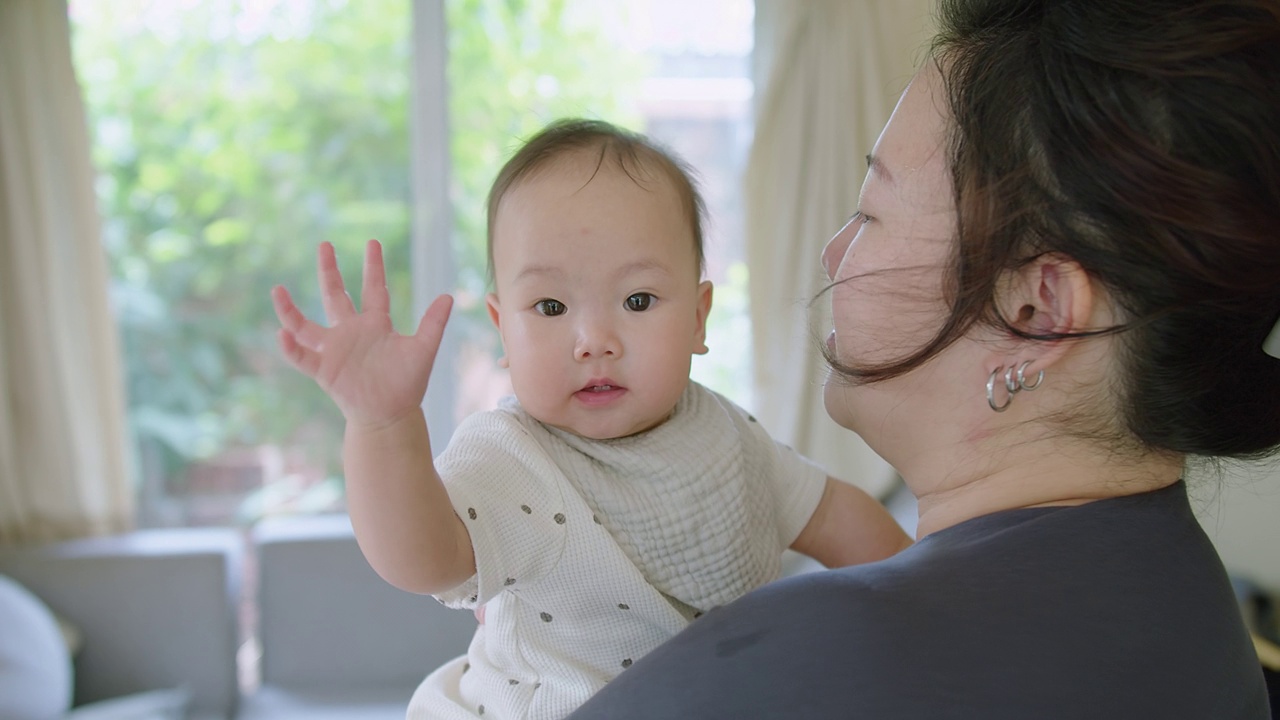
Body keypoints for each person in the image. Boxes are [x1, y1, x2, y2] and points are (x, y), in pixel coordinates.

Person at [561, 0, 1280, 718]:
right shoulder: (1200, 608)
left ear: (1037, 311)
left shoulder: (821, 655)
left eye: (871, 212)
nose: (834, 251)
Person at [270, 119, 913, 720]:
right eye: (550, 306)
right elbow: (423, 560)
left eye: (637, 299)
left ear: (697, 316)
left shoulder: (725, 434)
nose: (593, 339)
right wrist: (384, 426)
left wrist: (924, 592)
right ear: (502, 328)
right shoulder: (512, 456)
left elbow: (831, 515)